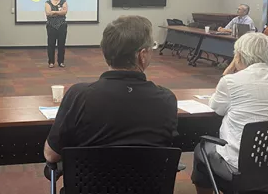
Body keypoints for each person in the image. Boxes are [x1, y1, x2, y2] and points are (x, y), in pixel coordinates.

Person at [44, 15, 178, 164]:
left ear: (105, 52)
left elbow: (51, 155)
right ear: (142, 55)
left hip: (89, 186)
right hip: (150, 186)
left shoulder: (80, 95)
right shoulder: (166, 99)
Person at [191, 32, 268, 194]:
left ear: (239, 56)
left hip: (244, 169)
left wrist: (227, 72)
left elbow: (216, 106)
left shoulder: (231, 81)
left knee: (201, 150)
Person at [45, 0, 68, 68]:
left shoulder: (64, 2)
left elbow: (64, 12)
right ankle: (51, 62)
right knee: (51, 44)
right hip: (51, 26)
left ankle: (61, 62)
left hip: (62, 26)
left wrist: (53, 12)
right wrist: (59, 12)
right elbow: (48, 13)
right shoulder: (47, 2)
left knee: (61, 44)